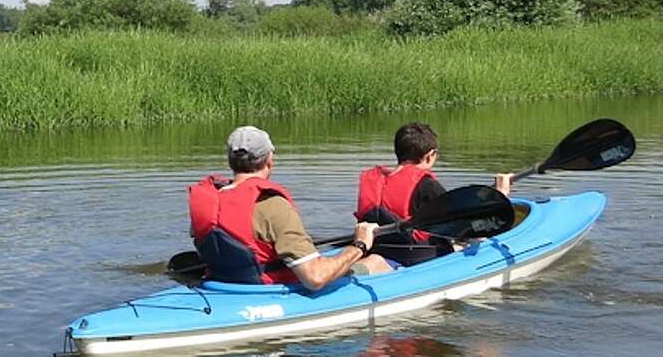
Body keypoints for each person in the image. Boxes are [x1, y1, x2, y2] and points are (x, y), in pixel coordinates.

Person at [189, 126, 393, 292]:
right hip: (266, 290)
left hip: (222, 285)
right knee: (376, 262)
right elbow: (315, 278)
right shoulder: (272, 204)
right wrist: (360, 245)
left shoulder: (209, 202)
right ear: (269, 160)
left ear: (230, 162)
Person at [355, 123, 513, 265]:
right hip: (417, 257)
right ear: (430, 155)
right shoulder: (426, 185)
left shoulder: (376, 181)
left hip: (378, 248)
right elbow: (467, 224)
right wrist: (501, 195)